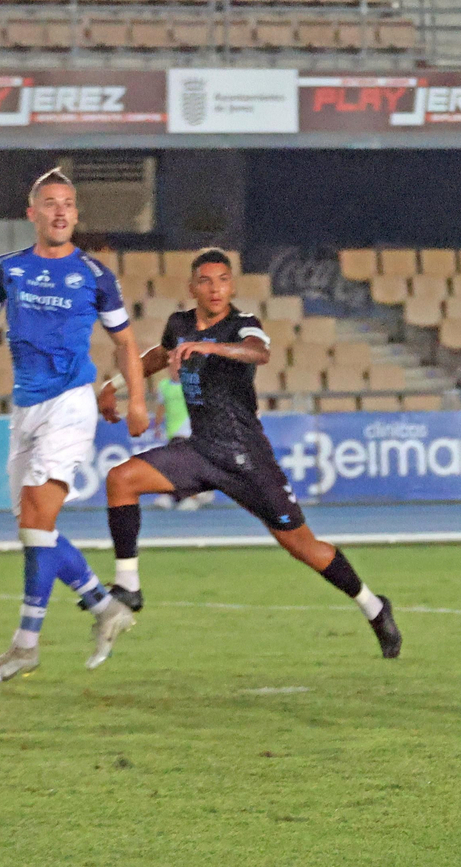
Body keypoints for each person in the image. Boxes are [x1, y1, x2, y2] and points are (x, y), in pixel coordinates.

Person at [97, 249, 402, 659]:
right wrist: (114, 385)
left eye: (223, 280)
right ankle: (129, 585)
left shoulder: (244, 326)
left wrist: (213, 349)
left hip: (247, 459)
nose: (215, 288)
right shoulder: (180, 325)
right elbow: (156, 356)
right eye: (206, 281)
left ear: (232, 285)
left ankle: (373, 606)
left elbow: (259, 352)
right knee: (121, 479)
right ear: (192, 287)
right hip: (202, 450)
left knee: (304, 547)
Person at [0, 169, 148, 683]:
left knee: (37, 522)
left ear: (76, 215)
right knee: (36, 531)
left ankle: (25, 646)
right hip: (26, 409)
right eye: (50, 204)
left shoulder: (95, 275)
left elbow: (125, 343)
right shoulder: (6, 268)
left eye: (68, 204)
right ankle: (103, 606)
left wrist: (138, 401)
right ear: (32, 213)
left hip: (71, 404)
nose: (60, 212)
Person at [150, 373, 213, 510]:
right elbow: (161, 406)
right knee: (174, 465)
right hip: (172, 430)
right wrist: (157, 425)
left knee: (186, 464)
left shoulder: (193, 382)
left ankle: (193, 496)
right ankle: (177, 494)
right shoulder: (164, 385)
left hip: (189, 429)